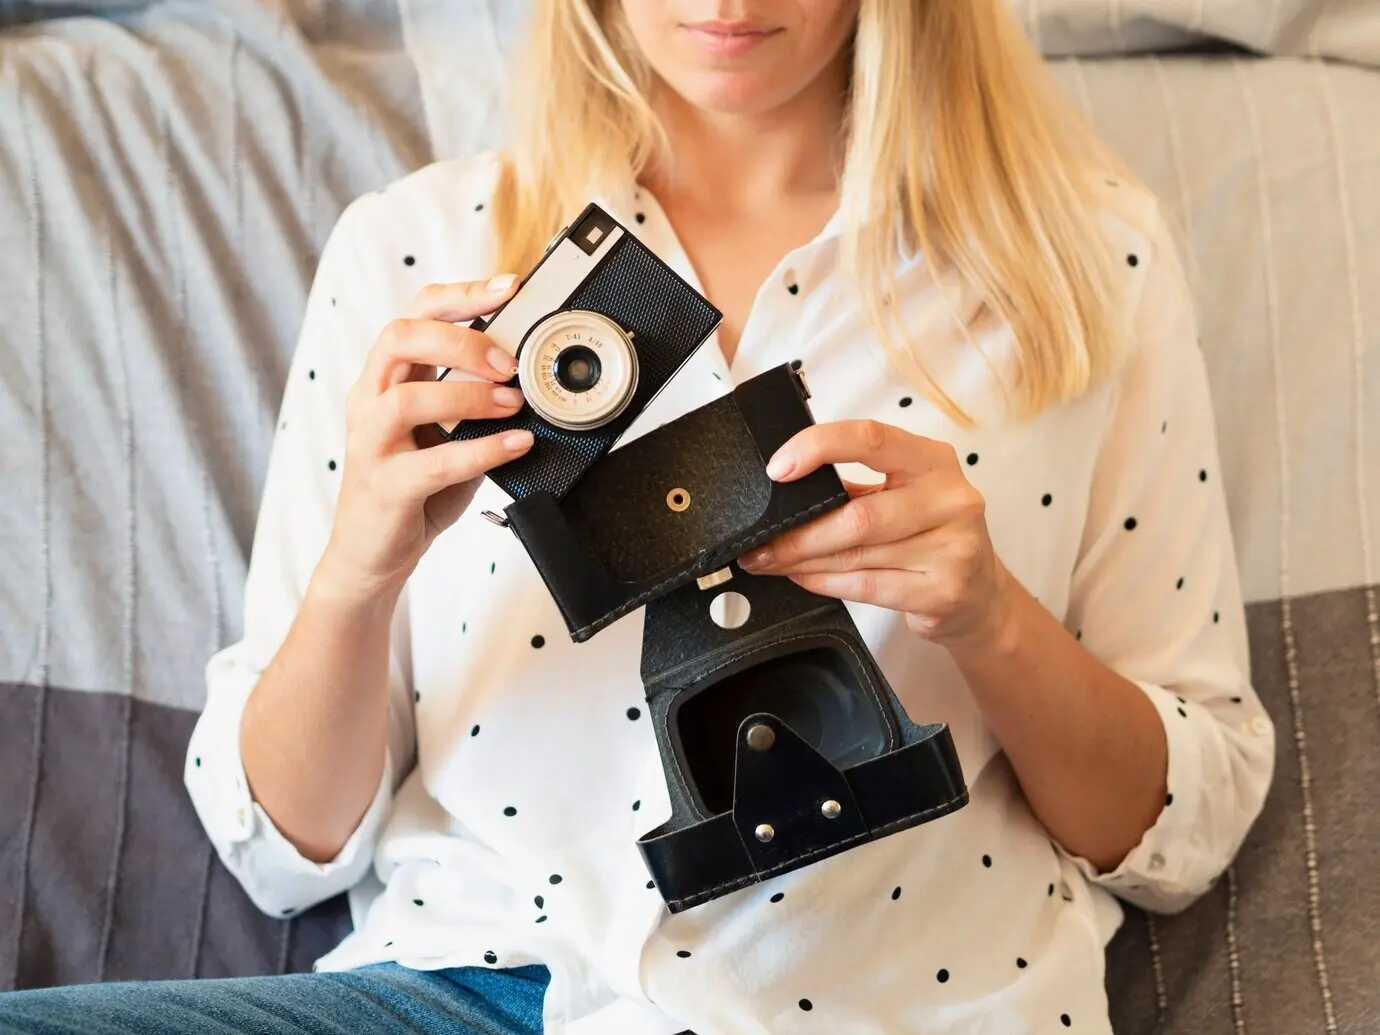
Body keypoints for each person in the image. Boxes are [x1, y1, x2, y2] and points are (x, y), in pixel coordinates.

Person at [0, 1, 1276, 1033]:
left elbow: (1183, 827)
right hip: (476, 987)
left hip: (903, 1002)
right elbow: (285, 852)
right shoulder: (422, 251)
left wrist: (990, 616)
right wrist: (358, 573)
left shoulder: (1081, 263)